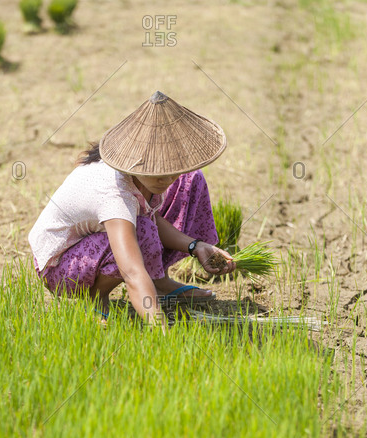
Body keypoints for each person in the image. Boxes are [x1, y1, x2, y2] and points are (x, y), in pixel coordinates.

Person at [28, 90, 236, 328]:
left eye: (173, 168)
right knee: (142, 233)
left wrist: (195, 246)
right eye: (156, 170)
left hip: (96, 243)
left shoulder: (147, 181)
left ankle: (159, 280)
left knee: (190, 180)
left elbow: (151, 217)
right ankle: (94, 297)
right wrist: (160, 330)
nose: (166, 178)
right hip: (61, 266)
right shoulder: (115, 194)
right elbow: (133, 272)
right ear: (135, 161)